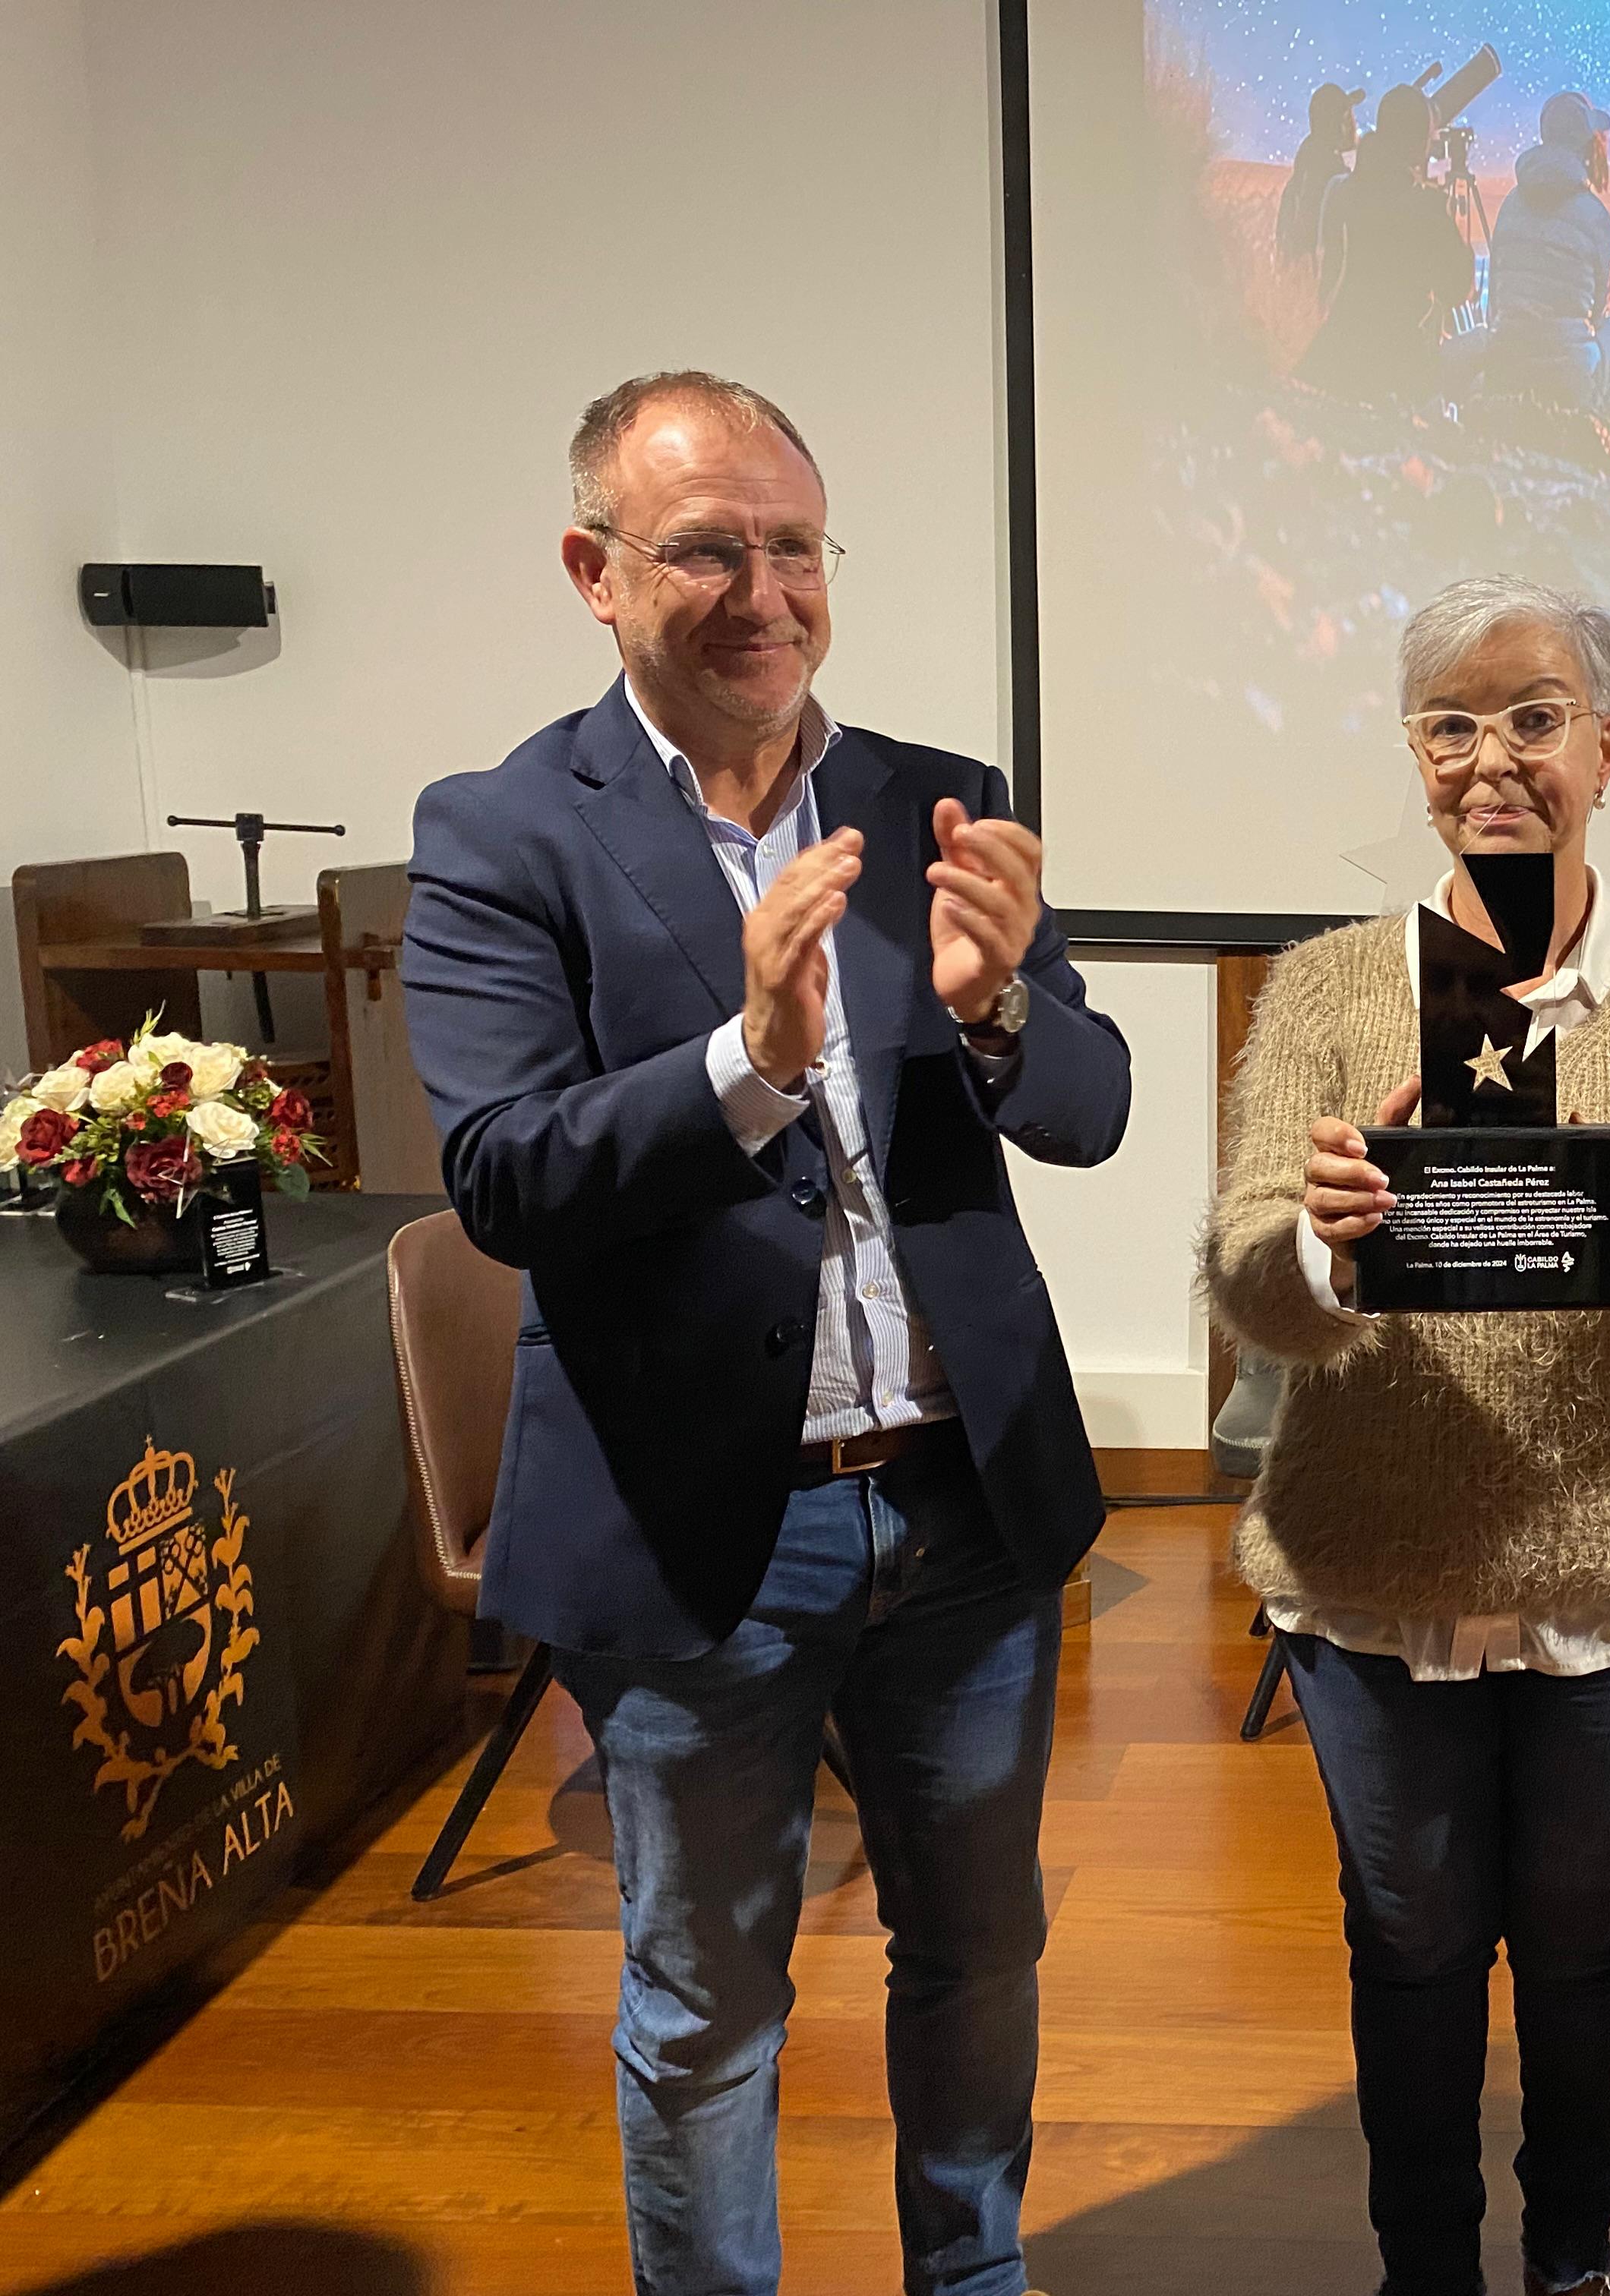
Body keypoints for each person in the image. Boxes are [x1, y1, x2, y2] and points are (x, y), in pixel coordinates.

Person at [401, 371, 1132, 2296]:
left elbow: (1092, 1109)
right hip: (703, 1520)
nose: (762, 589)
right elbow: (500, 1174)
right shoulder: (500, 831)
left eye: (793, 546)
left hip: (965, 1513)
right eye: (706, 548)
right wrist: (748, 1061)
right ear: (595, 568)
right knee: (709, 2001)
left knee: (979, 1957)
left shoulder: (929, 797)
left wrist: (994, 1020)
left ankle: (971, 2280)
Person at [1202, 576, 1610, 2296]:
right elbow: (1249, 1283)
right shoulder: (1327, 990)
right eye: (1453, 722)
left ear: (1609, 745)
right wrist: (1324, 1232)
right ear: (1415, 754)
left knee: (1581, 1945)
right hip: (1372, 1574)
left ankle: (1572, 2258)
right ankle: (1427, 2267)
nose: (1495, 758)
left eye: (1536, 716)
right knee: (1406, 1946)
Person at [1302, 84, 1476, 403]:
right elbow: (1456, 290)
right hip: (1399, 366)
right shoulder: (1426, 207)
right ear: (1417, 142)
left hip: (1337, 350)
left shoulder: (1340, 190)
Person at [1483, 90, 1610, 411]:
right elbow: (1598, 313)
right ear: (1586, 143)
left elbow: (1495, 297)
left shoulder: (1510, 204)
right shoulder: (1597, 217)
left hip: (1507, 360)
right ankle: (1599, 421)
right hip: (1567, 371)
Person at [1277, 82, 1361, 271]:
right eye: (1348, 118)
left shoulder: (1307, 167)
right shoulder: (1333, 179)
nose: (1354, 125)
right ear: (1340, 125)